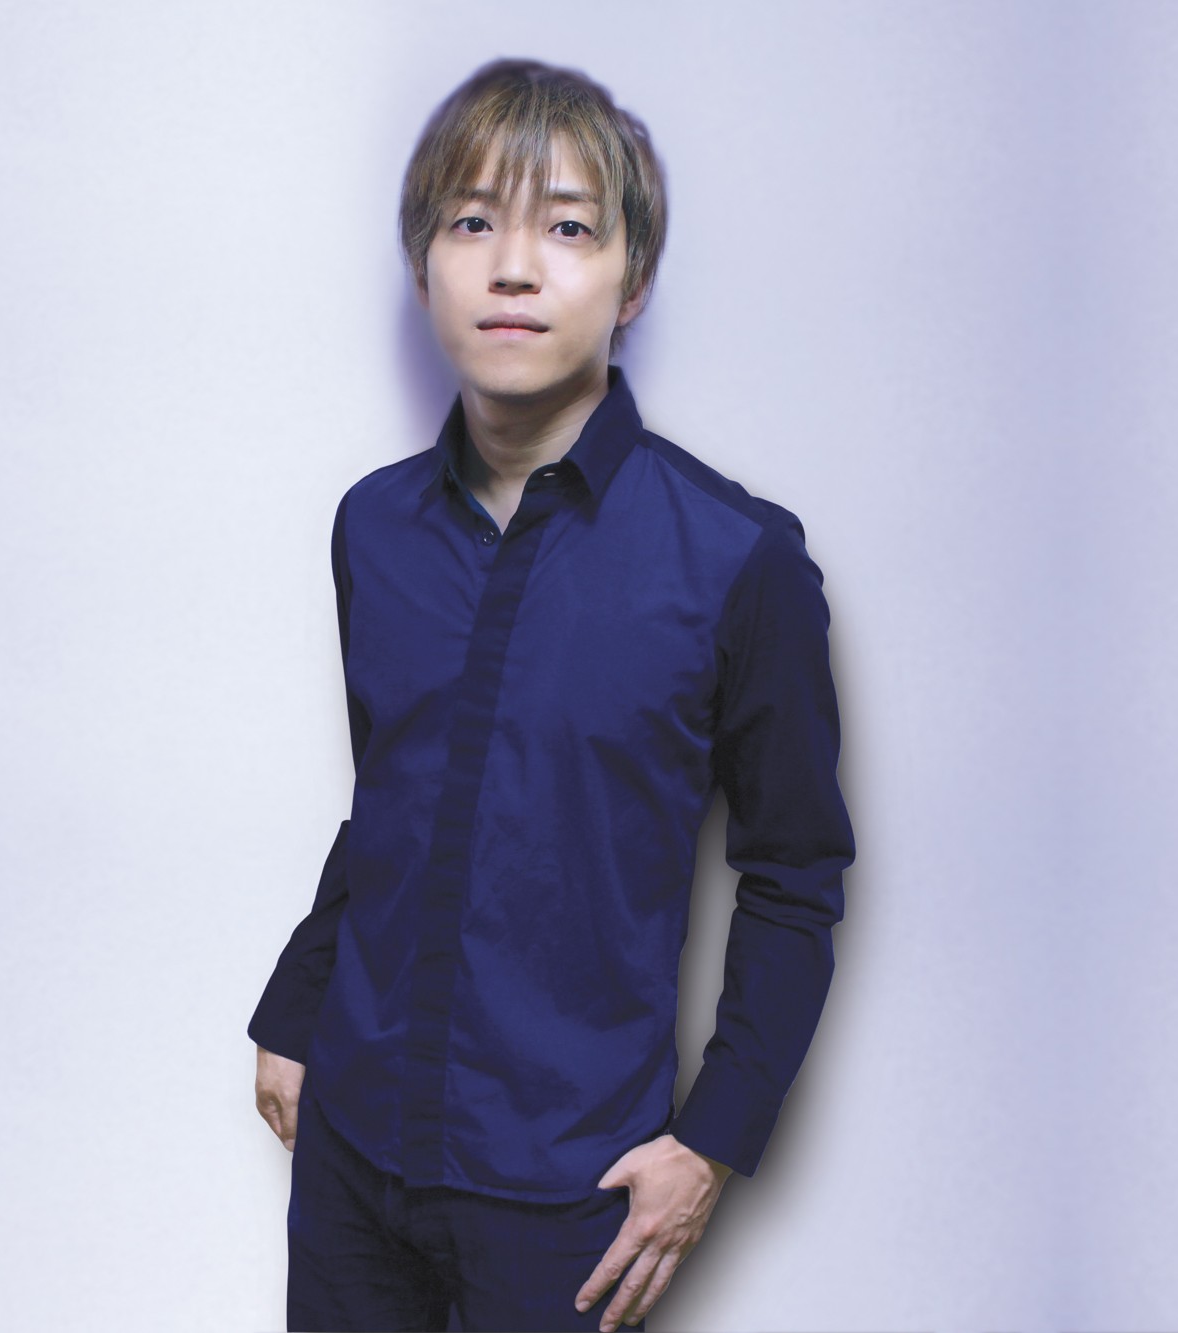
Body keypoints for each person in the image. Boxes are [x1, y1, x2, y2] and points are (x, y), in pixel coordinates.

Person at [248, 56, 856, 1333]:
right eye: (472, 222)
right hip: (352, 1146)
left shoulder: (737, 560)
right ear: (423, 267)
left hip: (567, 1191)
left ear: (630, 283)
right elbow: (390, 798)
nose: (512, 267)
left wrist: (712, 1141)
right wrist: (294, 1012)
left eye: (567, 228)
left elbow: (794, 874)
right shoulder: (372, 528)